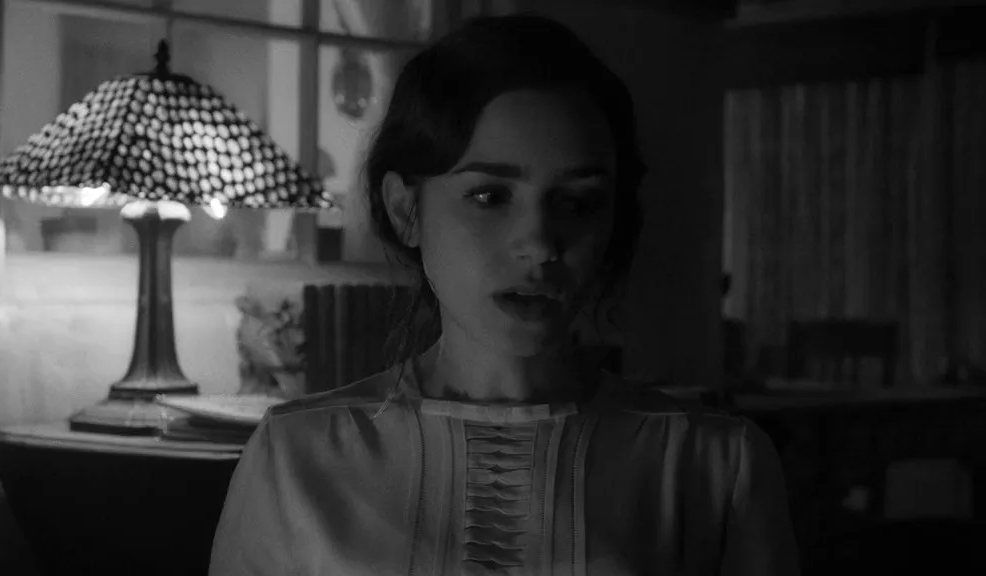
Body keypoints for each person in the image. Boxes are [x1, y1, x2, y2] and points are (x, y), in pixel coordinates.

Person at [210, 13, 798, 576]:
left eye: (578, 203)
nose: (540, 245)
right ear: (406, 208)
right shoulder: (297, 458)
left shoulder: (711, 467)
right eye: (490, 197)